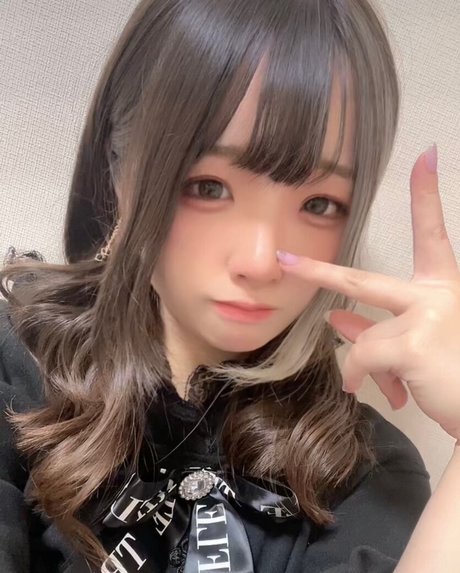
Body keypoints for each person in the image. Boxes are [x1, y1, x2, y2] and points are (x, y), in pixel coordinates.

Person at [1, 0, 460, 571]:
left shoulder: (364, 470)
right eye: (209, 187)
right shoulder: (18, 367)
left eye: (319, 203)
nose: (260, 263)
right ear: (119, 172)